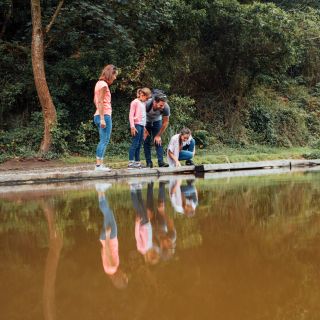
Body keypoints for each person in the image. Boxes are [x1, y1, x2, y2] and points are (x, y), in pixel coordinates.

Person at [96, 182, 128, 289]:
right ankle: (100, 191)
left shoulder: (113, 268)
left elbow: (107, 252)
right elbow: (102, 252)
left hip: (110, 238)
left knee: (108, 212)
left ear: (120, 278)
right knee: (107, 213)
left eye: (124, 276)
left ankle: (100, 189)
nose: (125, 274)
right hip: (105, 239)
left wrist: (108, 235)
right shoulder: (108, 270)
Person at [93, 64, 118, 171]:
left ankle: (100, 165)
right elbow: (100, 101)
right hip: (104, 115)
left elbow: (96, 101)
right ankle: (98, 166)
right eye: (115, 75)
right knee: (104, 140)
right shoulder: (103, 85)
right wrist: (103, 118)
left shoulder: (99, 83)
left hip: (98, 114)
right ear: (110, 74)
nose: (115, 78)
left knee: (103, 140)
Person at [130, 182, 160, 265]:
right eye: (154, 254)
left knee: (138, 207)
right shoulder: (150, 248)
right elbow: (150, 235)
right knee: (142, 205)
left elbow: (137, 237)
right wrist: (149, 220)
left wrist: (137, 224)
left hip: (142, 224)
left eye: (152, 255)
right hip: (147, 223)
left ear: (148, 257)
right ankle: (138, 188)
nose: (153, 253)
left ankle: (132, 189)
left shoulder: (142, 249)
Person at [143, 91, 170, 168]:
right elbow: (139, 118)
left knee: (158, 141)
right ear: (155, 102)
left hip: (157, 121)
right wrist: (144, 130)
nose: (162, 107)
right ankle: (149, 163)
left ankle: (161, 162)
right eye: (160, 105)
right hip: (145, 121)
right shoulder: (147, 104)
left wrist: (158, 135)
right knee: (146, 141)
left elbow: (165, 122)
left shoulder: (166, 107)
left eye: (163, 105)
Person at [128, 88, 152, 169]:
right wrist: (132, 126)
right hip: (136, 125)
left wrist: (144, 128)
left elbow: (143, 116)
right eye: (147, 98)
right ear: (142, 95)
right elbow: (131, 115)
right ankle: (130, 163)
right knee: (135, 143)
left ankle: (137, 162)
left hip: (142, 125)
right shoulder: (135, 102)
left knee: (139, 144)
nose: (147, 100)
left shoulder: (143, 103)